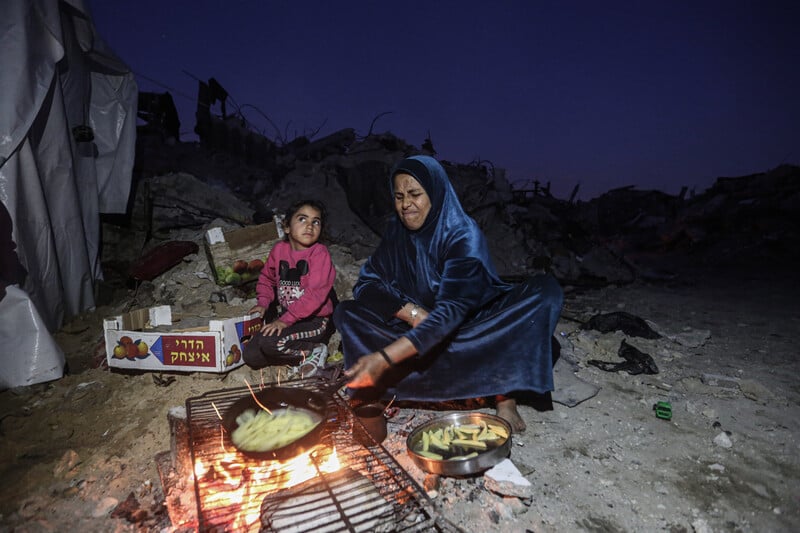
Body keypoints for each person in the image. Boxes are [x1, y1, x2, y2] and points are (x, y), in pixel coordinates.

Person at [334, 155, 563, 432]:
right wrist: (413, 314)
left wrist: (385, 358)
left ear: (436, 193)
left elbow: (451, 313)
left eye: (415, 194)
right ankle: (387, 388)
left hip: (474, 327)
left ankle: (504, 394)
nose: (406, 204)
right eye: (399, 196)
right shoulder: (397, 231)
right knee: (348, 312)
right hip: (422, 330)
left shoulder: (462, 233)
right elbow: (366, 284)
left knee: (543, 293)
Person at [243, 199, 336, 376]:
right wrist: (263, 302)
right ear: (286, 227)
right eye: (302, 219)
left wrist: (285, 320)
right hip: (288, 317)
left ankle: (314, 350)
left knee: (271, 343)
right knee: (251, 356)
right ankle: (293, 354)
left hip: (314, 321)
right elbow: (266, 278)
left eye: (315, 222)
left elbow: (315, 294)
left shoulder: (319, 253)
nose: (309, 226)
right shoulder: (279, 250)